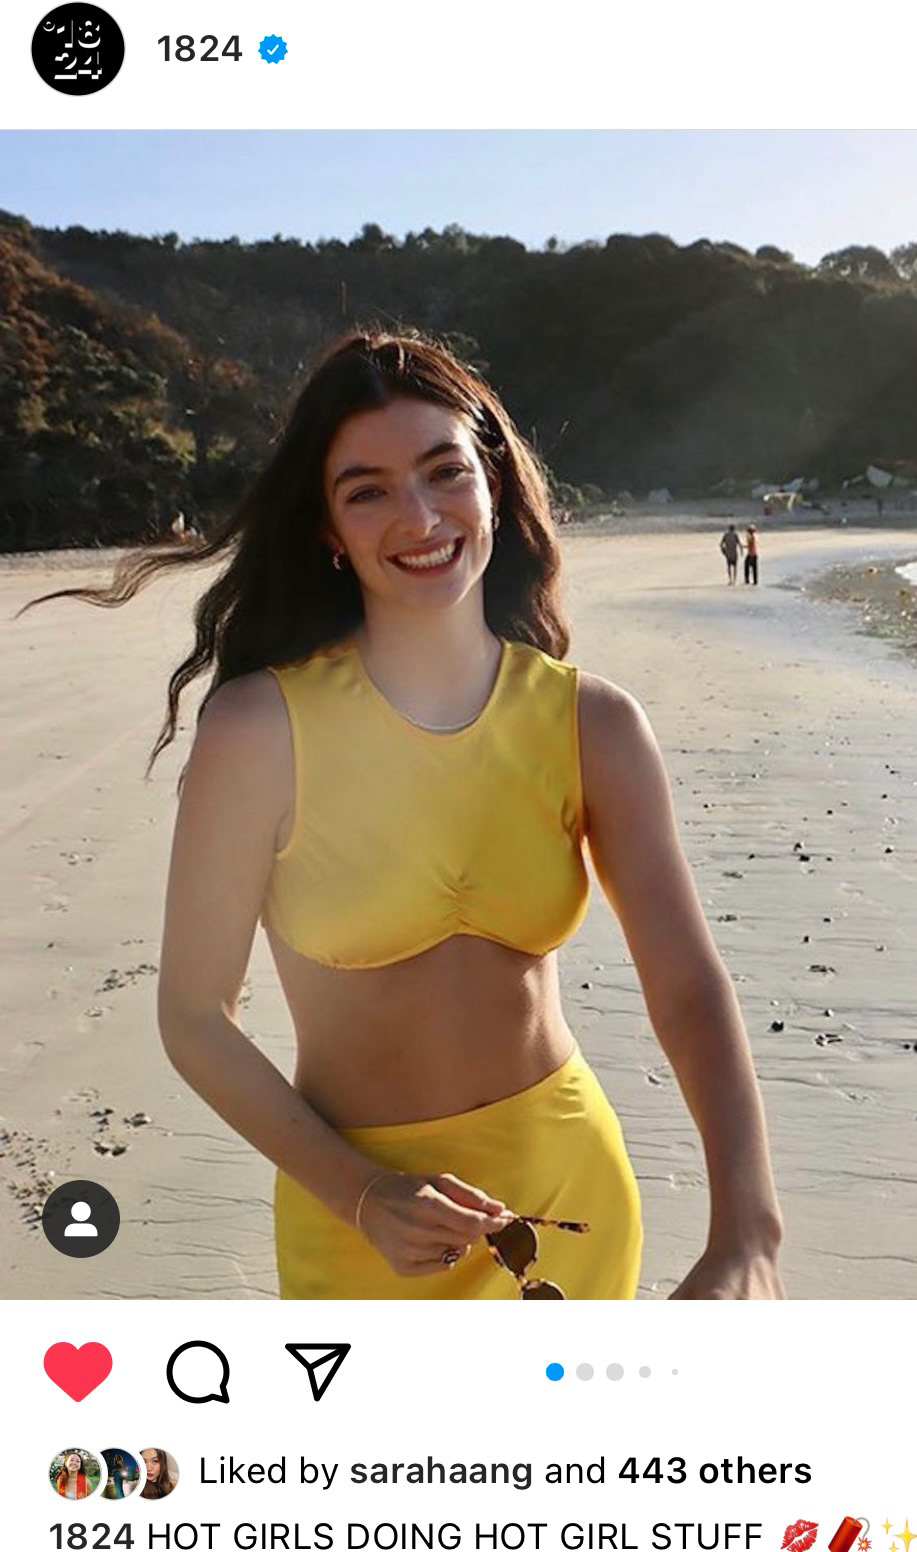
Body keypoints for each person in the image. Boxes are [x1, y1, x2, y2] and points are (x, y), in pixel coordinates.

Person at [33, 330, 783, 1301]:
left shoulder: (591, 723)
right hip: (355, 1220)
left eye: (444, 472)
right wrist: (360, 1193)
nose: (419, 516)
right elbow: (193, 1017)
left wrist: (746, 1231)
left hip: (567, 1196)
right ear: (326, 527)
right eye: (368, 491)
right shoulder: (259, 731)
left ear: (493, 484)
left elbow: (686, 985)